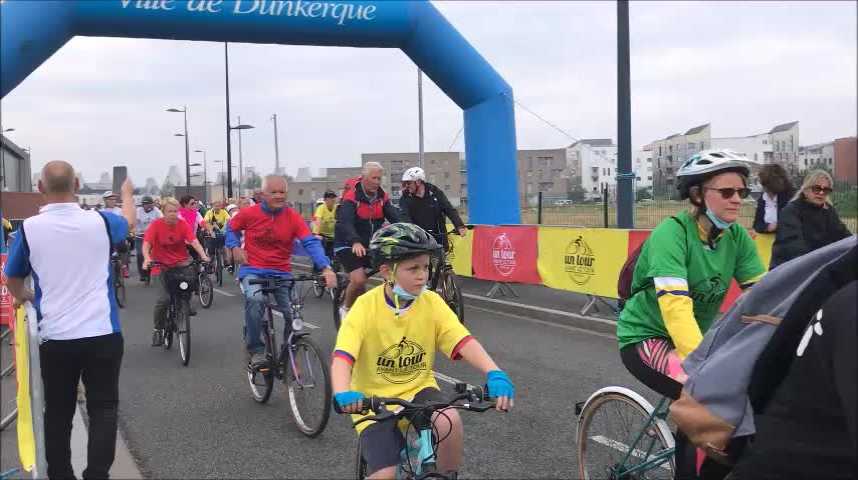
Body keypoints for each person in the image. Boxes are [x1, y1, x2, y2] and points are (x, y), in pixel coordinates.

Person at [615, 150, 765, 477]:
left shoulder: (737, 237)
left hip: (694, 342)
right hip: (645, 337)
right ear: (698, 194)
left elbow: (762, 298)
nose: (738, 199)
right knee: (704, 400)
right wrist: (702, 367)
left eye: (743, 192)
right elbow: (676, 305)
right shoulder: (672, 233)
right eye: (727, 192)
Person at [332, 223, 515, 480]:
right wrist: (343, 392)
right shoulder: (365, 307)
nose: (423, 275)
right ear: (387, 272)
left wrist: (494, 372)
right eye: (413, 268)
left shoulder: (432, 302)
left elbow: (462, 340)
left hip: (418, 389)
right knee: (386, 473)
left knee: (449, 420)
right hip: (372, 402)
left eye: (426, 267)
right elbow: (343, 357)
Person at [3, 161, 136, 480]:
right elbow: (128, 223)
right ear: (77, 184)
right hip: (103, 332)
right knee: (103, 407)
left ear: (39, 188)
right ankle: (97, 475)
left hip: (57, 337)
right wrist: (127, 194)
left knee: (58, 412)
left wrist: (27, 297)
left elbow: (12, 279)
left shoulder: (30, 229)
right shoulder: (101, 222)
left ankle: (61, 474)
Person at [226, 175, 336, 366]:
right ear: (262, 194)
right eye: (273, 192)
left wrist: (326, 267)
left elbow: (309, 241)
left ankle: (290, 354)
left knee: (293, 313)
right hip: (254, 271)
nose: (279, 196)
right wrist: (235, 246)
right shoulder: (250, 213)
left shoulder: (293, 217)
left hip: (281, 272)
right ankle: (255, 349)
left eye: (282, 192)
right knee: (255, 299)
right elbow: (231, 228)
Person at [334, 162, 401, 319]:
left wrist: (412, 231)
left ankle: (390, 309)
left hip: (370, 244)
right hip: (347, 244)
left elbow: (395, 218)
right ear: (364, 178)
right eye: (374, 178)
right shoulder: (352, 197)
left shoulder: (381, 197)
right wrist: (355, 241)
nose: (377, 182)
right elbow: (346, 223)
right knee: (359, 280)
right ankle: (346, 308)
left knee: (392, 274)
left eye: (379, 178)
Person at [141, 197, 209, 346]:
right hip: (160, 265)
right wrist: (147, 258)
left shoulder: (182, 224)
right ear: (163, 212)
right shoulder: (156, 225)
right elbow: (146, 244)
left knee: (189, 280)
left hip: (180, 263)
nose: (173, 214)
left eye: (175, 211)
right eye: (169, 211)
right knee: (163, 299)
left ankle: (184, 304)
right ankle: (158, 329)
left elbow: (193, 241)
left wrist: (203, 255)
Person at [769, 169, 852, 269]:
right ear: (805, 189)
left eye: (826, 190)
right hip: (788, 271)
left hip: (818, 267)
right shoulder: (791, 211)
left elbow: (844, 236)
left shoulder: (829, 211)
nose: (821, 193)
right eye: (817, 188)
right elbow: (794, 247)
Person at [398, 166, 467, 249]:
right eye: (404, 183)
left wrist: (459, 226)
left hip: (439, 239)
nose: (406, 186)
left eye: (409, 183)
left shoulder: (435, 192)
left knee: (442, 260)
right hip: (419, 241)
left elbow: (449, 209)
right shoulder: (405, 198)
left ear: (418, 182)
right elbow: (404, 217)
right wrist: (413, 233)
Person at [752, 163, 794, 234]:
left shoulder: (790, 197)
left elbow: (793, 224)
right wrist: (768, 227)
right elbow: (757, 225)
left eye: (762, 183)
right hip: (767, 241)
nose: (762, 186)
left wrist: (778, 226)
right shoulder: (763, 198)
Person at [103, 190, 132, 277]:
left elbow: (125, 223)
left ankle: (124, 266)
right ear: (105, 200)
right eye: (110, 199)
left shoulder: (120, 211)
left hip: (118, 237)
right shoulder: (100, 211)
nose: (113, 201)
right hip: (105, 238)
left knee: (124, 246)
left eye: (114, 199)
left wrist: (127, 233)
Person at [134, 196, 162, 282]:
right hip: (140, 236)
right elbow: (132, 222)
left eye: (150, 204)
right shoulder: (138, 212)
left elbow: (162, 221)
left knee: (156, 254)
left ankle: (158, 271)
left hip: (153, 237)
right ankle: (143, 274)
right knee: (140, 254)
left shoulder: (157, 211)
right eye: (146, 204)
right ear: (143, 205)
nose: (148, 206)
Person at [312, 190, 338, 267]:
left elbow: (342, 220)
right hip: (321, 234)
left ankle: (332, 270)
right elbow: (318, 220)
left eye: (333, 197)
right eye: (330, 198)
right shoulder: (321, 208)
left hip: (333, 235)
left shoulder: (337, 207)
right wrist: (316, 234)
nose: (332, 199)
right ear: (325, 200)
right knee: (321, 253)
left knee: (332, 255)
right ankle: (316, 270)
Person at [203, 200, 230, 264]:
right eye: (216, 206)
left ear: (221, 206)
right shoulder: (209, 212)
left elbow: (228, 219)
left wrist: (226, 227)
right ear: (213, 206)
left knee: (224, 246)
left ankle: (226, 260)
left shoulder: (224, 212)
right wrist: (210, 229)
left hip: (221, 231)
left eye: (219, 206)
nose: (217, 207)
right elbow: (205, 221)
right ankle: (211, 260)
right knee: (210, 247)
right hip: (211, 231)